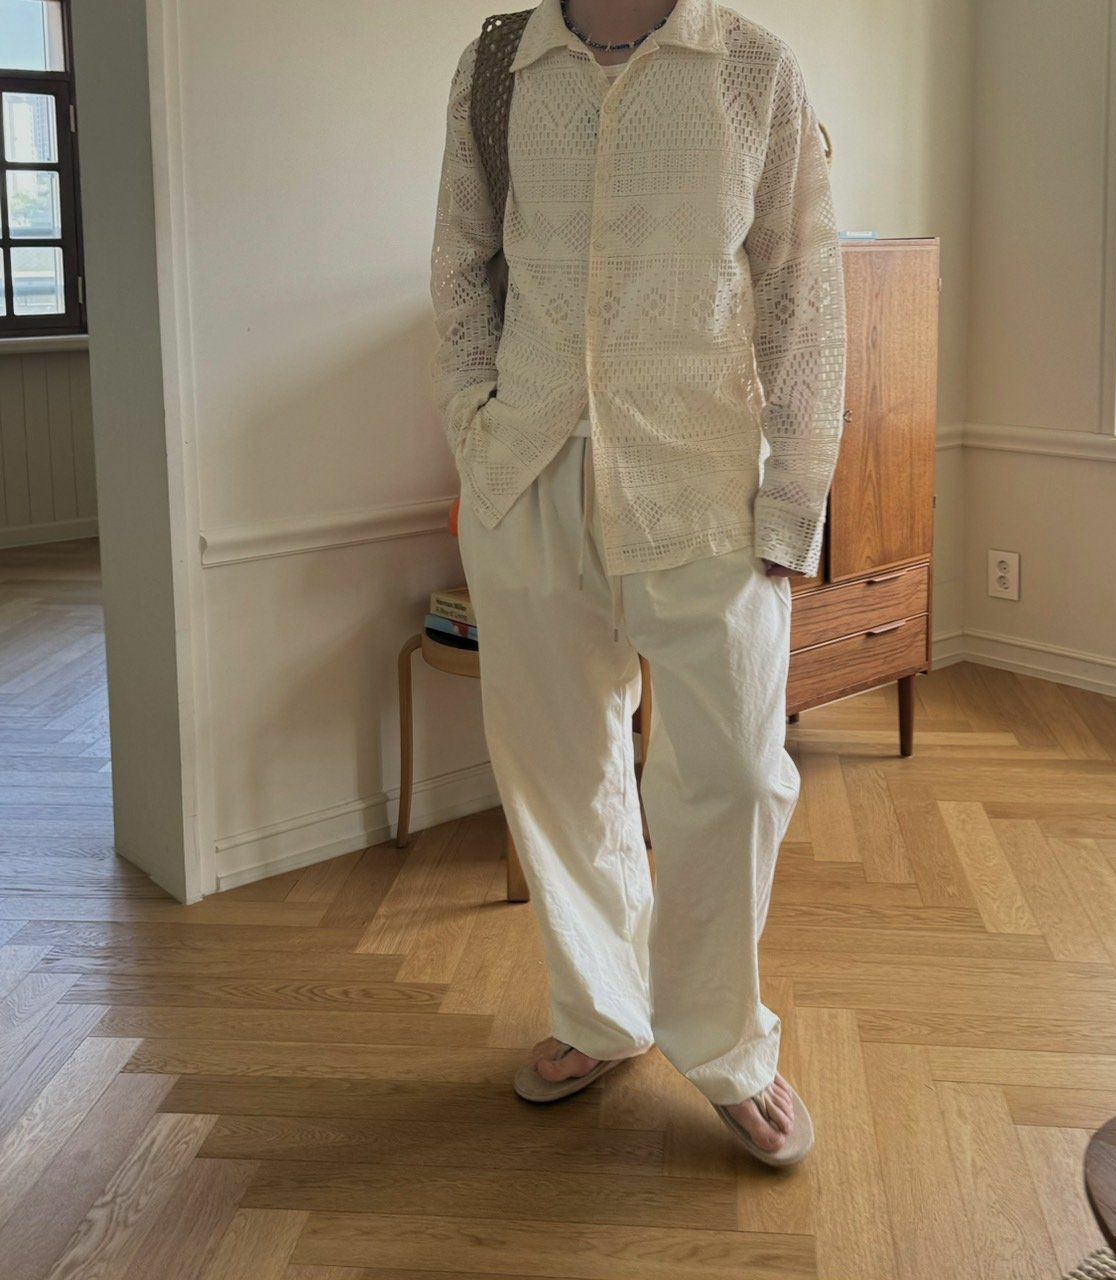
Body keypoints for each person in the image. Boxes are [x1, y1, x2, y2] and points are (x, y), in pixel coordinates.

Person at [428, 0, 846, 1165]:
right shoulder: (499, 63)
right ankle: (600, 1010)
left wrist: (793, 496)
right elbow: (461, 264)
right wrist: (474, 426)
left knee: (735, 774)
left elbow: (800, 293)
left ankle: (723, 1042)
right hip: (527, 475)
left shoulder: (751, 67)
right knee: (559, 771)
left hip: (704, 484)